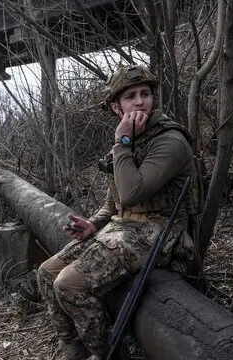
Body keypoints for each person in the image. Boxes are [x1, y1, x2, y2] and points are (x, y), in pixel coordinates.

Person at [36, 64, 199, 360]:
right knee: (47, 273)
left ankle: (108, 354)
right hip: (123, 229)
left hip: (161, 233)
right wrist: (93, 224)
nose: (140, 102)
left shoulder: (169, 141)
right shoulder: (130, 139)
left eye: (146, 94)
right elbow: (115, 202)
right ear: (115, 106)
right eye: (130, 97)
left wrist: (120, 143)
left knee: (69, 284)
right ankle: (72, 347)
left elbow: (132, 192)